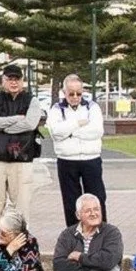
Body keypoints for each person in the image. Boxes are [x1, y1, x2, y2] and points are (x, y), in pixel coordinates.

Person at [0, 63, 47, 236]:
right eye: (9, 79)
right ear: (3, 80)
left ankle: (22, 240)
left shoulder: (31, 101)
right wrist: (15, 119)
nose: (13, 82)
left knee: (22, 206)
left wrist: (4, 127)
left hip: (22, 160)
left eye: (17, 79)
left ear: (22, 81)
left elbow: (30, 123)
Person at [47, 72, 107, 227]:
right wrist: (78, 123)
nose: (75, 97)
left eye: (78, 93)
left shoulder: (92, 107)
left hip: (91, 159)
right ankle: (74, 236)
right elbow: (55, 133)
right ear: (64, 93)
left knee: (97, 198)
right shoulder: (56, 109)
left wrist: (70, 132)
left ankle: (101, 234)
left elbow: (97, 131)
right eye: (71, 93)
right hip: (67, 160)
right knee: (71, 201)